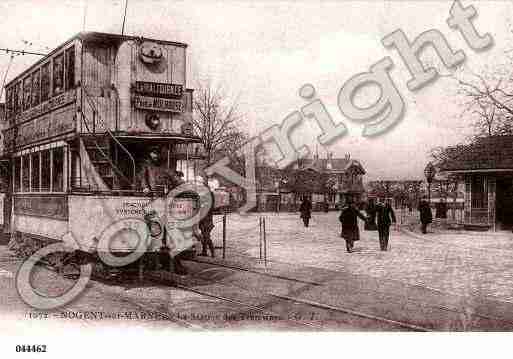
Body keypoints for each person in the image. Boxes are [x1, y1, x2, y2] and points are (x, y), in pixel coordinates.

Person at [139, 147, 188, 274]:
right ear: (150, 154)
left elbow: (174, 178)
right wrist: (145, 187)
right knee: (154, 229)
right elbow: (142, 179)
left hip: (165, 201)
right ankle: (151, 260)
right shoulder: (146, 166)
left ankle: (173, 261)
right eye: (153, 153)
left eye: (156, 153)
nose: (155, 155)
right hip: (153, 200)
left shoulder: (164, 167)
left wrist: (184, 185)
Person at [197, 179, 216, 257]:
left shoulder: (210, 195)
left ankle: (213, 253)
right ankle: (204, 251)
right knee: (204, 235)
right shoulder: (203, 196)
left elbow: (210, 207)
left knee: (206, 236)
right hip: (203, 219)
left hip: (207, 219)